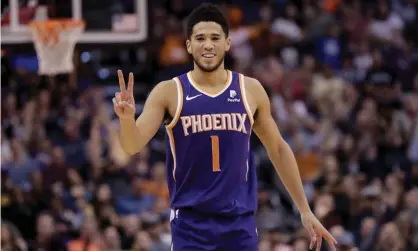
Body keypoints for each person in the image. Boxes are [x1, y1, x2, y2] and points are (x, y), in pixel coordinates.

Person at [112, 3, 337, 251]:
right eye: (200, 38)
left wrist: (304, 209)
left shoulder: (249, 90)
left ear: (227, 43)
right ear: (188, 45)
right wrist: (126, 118)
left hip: (239, 224)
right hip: (191, 225)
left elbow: (279, 149)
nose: (208, 44)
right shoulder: (168, 92)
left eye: (215, 38)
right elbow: (132, 145)